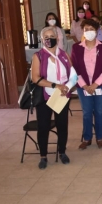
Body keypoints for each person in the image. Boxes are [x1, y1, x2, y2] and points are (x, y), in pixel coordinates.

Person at [31, 26, 78, 169]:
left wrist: (67, 88)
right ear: (41, 40)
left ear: (57, 38)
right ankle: (43, 156)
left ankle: (62, 152)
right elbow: (35, 78)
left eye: (52, 36)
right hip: (46, 96)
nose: (49, 39)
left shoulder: (64, 54)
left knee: (62, 125)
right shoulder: (38, 56)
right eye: (46, 37)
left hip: (62, 95)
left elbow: (73, 75)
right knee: (43, 126)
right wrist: (55, 85)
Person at [71, 19, 102, 150]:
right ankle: (87, 138)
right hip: (83, 85)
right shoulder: (76, 47)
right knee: (87, 112)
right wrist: (84, 85)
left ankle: (99, 138)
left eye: (91, 29)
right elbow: (75, 69)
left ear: (97, 31)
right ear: (83, 32)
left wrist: (95, 84)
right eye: (86, 29)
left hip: (101, 84)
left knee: (99, 111)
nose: (89, 32)